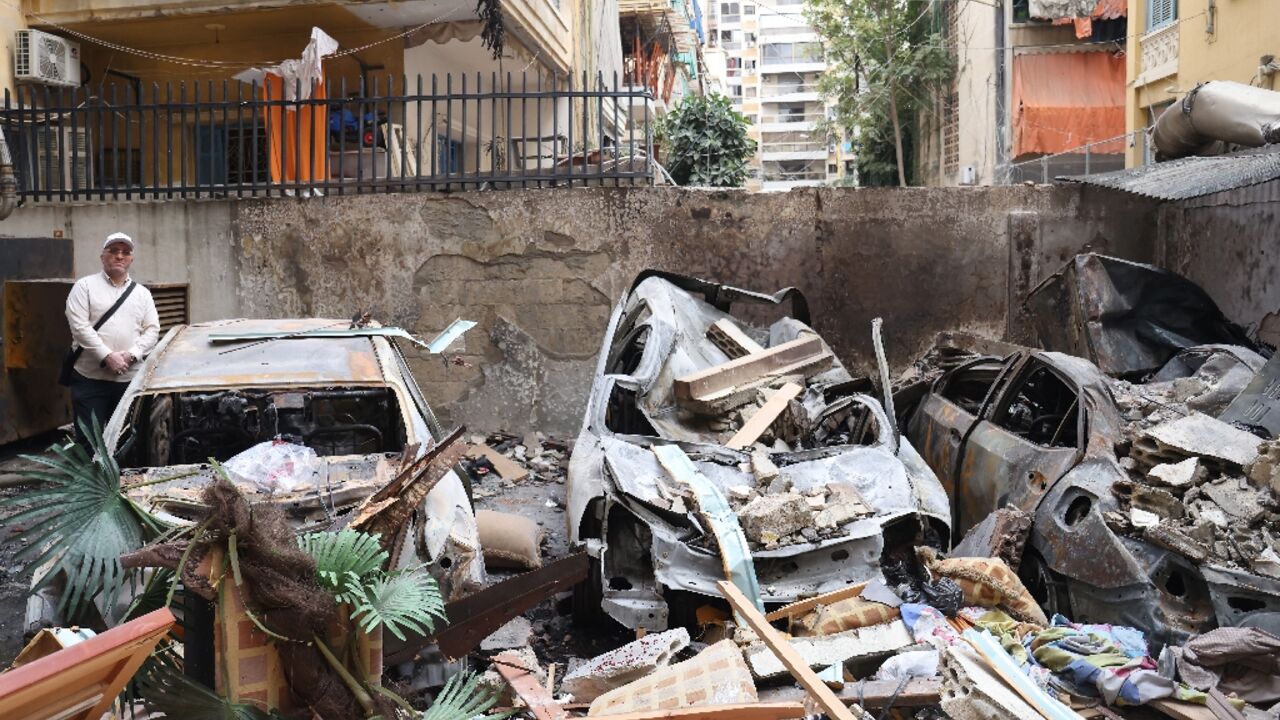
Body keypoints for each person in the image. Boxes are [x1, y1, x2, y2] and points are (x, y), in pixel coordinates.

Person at [64, 231, 160, 444]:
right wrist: (107, 356)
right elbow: (79, 328)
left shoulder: (142, 293)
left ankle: (122, 478)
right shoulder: (84, 287)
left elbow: (152, 330)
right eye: (113, 251)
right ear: (103, 257)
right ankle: (93, 478)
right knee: (89, 442)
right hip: (90, 380)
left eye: (125, 252)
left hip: (129, 381)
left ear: (131, 259)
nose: (119, 256)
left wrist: (132, 355)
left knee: (127, 442)